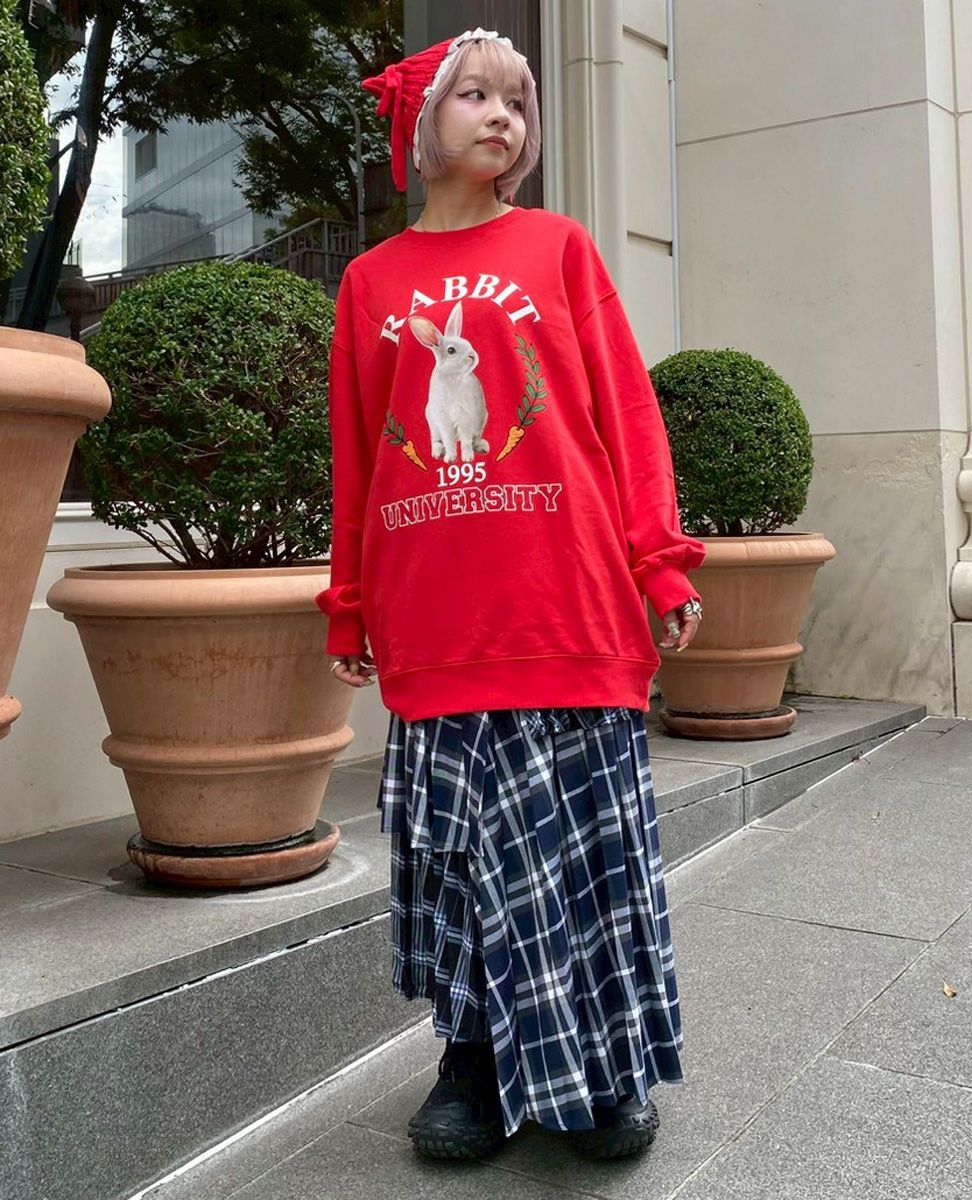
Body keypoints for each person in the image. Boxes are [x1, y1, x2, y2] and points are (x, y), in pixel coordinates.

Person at [315, 26, 706, 1163]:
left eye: (518, 102)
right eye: (475, 96)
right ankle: (475, 1059)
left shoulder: (559, 248)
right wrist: (351, 601)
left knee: (588, 854)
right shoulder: (370, 283)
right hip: (438, 623)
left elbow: (625, 414)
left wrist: (659, 559)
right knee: (460, 859)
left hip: (568, 606)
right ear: (420, 122)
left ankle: (609, 1061)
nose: (503, 116)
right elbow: (358, 452)